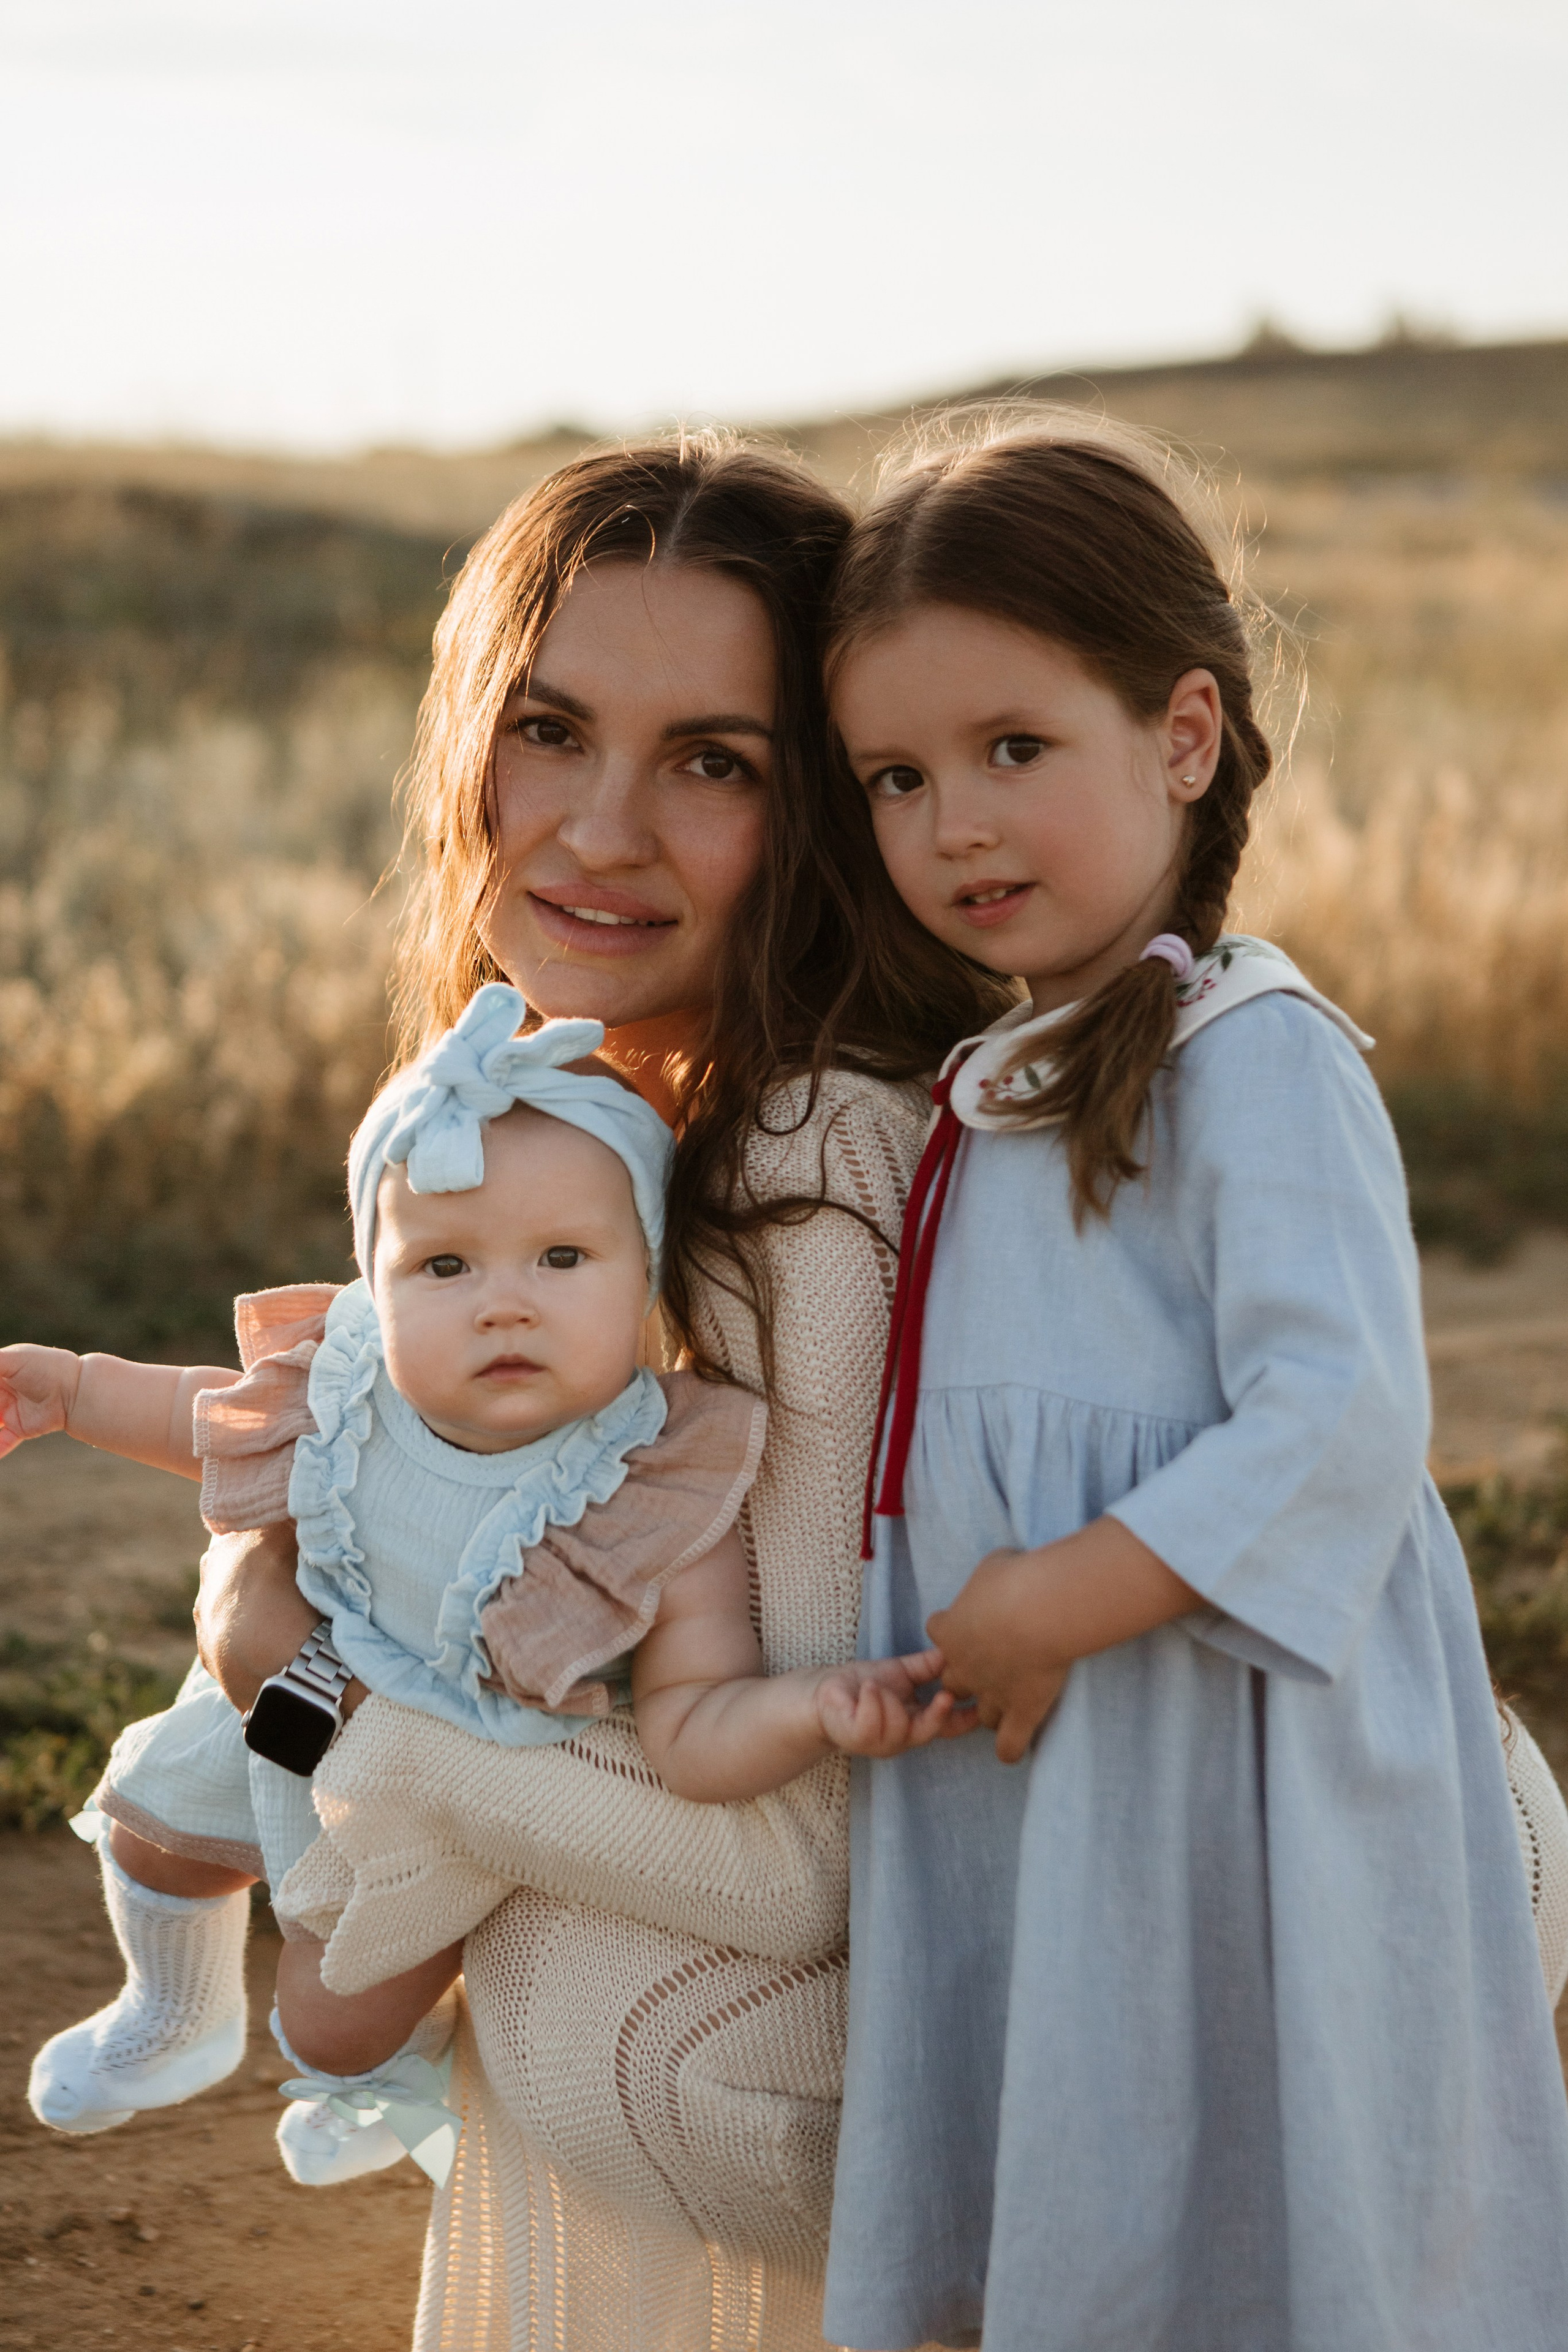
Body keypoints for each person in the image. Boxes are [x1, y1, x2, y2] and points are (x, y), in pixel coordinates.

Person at [187, 435, 1008, 2348]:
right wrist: (293, 1650)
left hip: (960, 2023)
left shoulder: (810, 1172)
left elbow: (796, 1861)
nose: (598, 831)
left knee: (574, 2005)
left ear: (823, 812)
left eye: (714, 762)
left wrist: (307, 1687)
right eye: (548, 729)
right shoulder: (595, 1135)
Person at [820, 412, 1568, 2352]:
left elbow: (1342, 1412)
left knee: (1270, 2165)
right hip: (1065, 1773)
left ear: (1184, 733)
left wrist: (1069, 1591)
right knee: (1101, 2164)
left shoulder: (1255, 1050)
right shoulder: (998, 1082)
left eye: (1013, 750)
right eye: (896, 777)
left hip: (1233, 1758)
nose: (953, 824)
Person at [8, 987, 959, 2189]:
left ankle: (391, 2076)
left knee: (332, 2012)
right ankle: (175, 2008)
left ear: (644, 1274)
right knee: (151, 1831)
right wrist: (74, 1388)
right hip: (310, 1694)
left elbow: (693, 1722)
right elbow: (206, 1416)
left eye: (562, 1259)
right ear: (376, 1284)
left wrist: (811, 1711)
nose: (504, 1301)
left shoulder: (651, 1488)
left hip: (457, 1781)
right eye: (443, 1265)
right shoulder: (351, 1386)